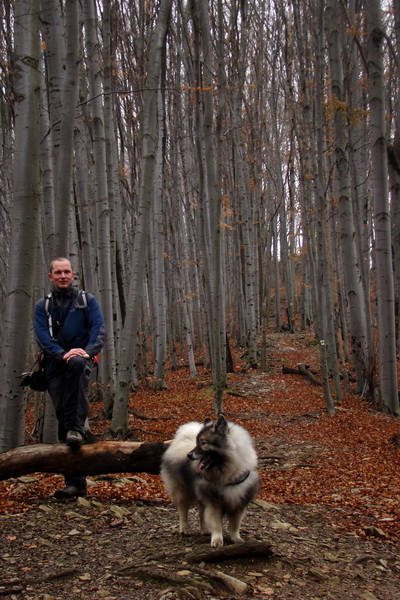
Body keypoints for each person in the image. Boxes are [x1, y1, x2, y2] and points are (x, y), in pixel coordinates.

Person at [34, 257, 106, 499]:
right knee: (64, 414)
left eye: (67, 272)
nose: (63, 276)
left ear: (73, 274)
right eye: (58, 272)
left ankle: (76, 431)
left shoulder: (87, 301)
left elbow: (99, 329)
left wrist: (86, 352)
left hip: (81, 361)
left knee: (71, 413)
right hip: (54, 365)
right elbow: (42, 336)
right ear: (51, 276)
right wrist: (62, 354)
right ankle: (76, 482)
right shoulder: (43, 305)